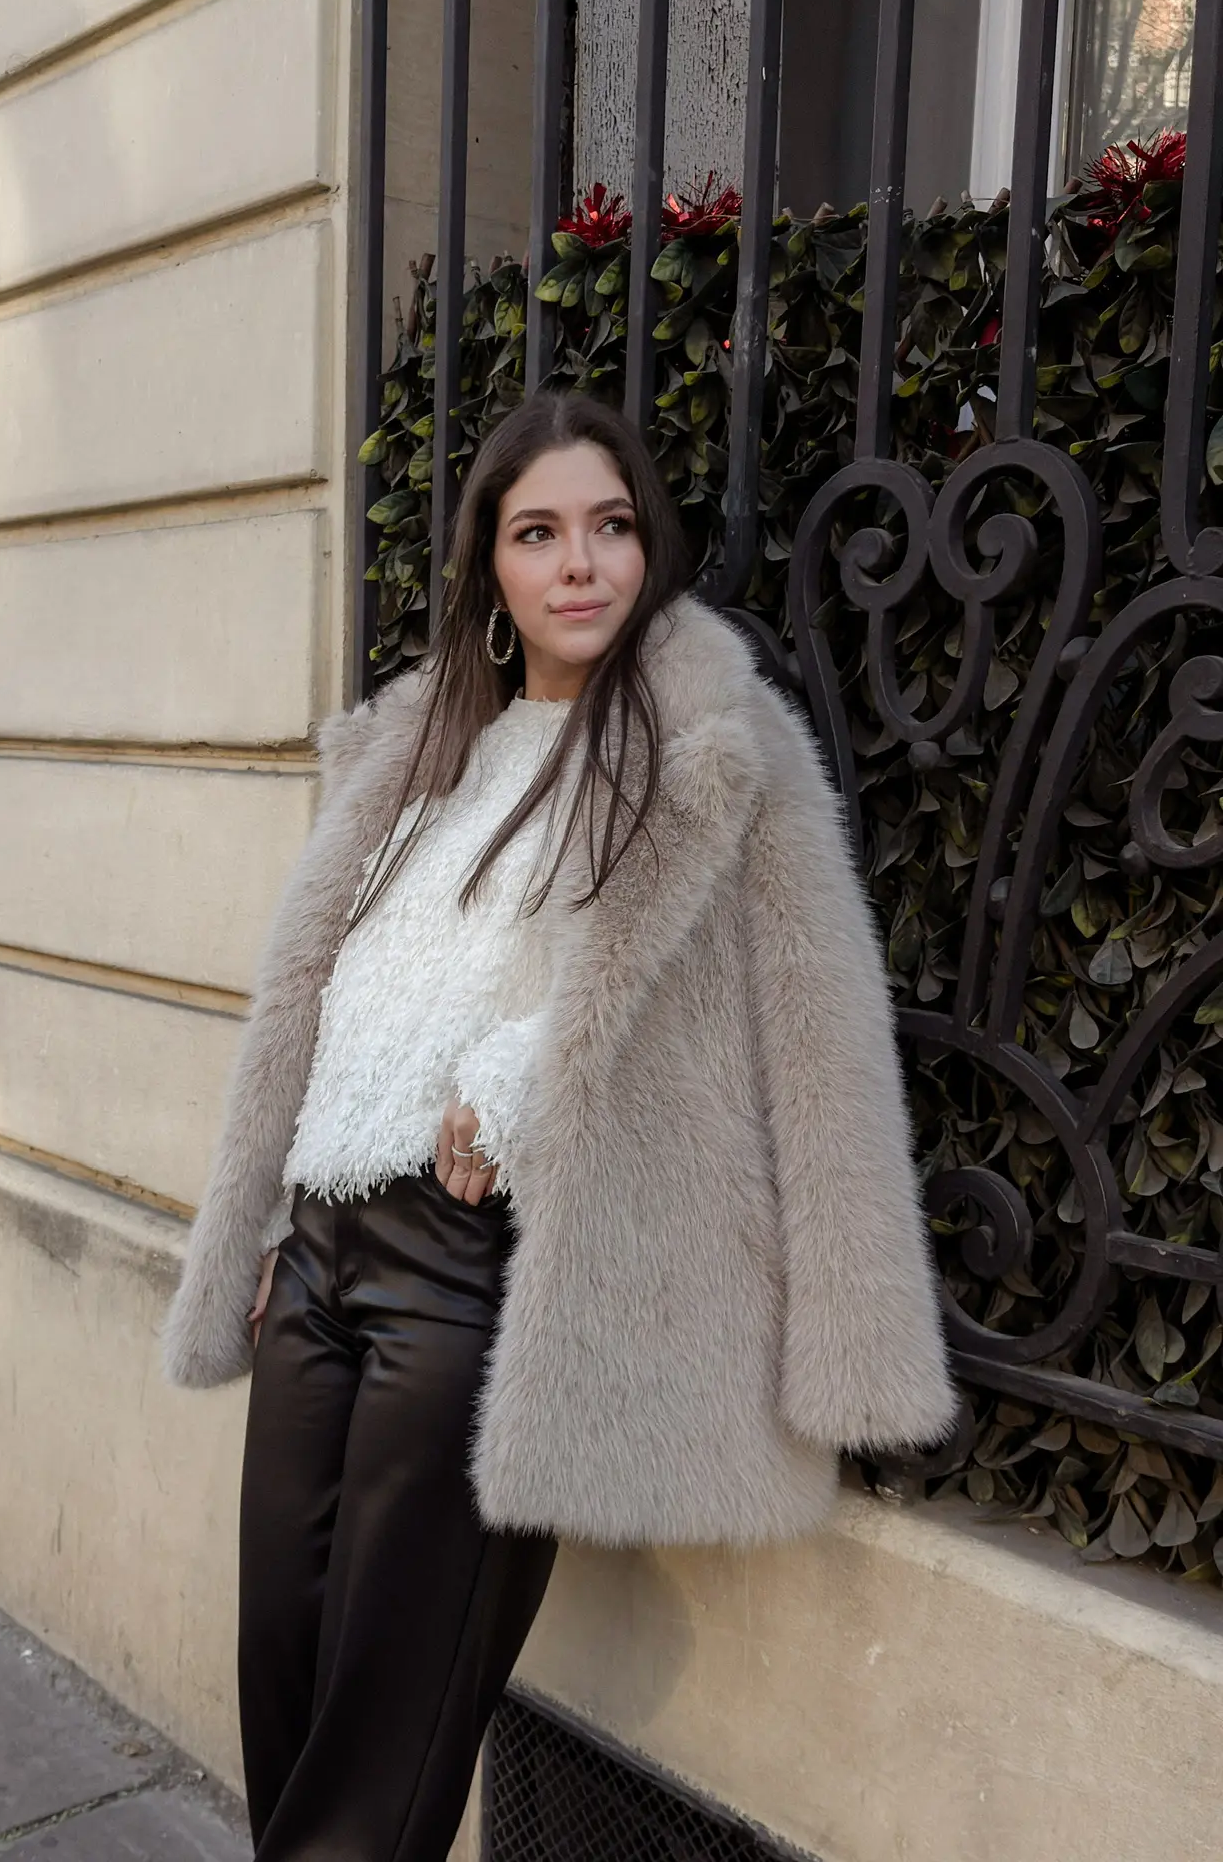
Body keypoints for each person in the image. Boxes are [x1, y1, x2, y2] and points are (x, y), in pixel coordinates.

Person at [162, 391, 959, 1860]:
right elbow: (332, 996)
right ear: (491, 561)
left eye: (611, 526)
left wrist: (531, 1070)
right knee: (286, 1689)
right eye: (539, 532)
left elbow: (810, 1032)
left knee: (381, 1753)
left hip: (477, 1278)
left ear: (650, 548)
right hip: (319, 1261)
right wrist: (274, 1219)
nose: (580, 562)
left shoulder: (710, 750)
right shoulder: (418, 748)